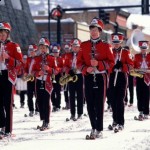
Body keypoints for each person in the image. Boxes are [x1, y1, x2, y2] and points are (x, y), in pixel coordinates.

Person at [77, 18, 114, 138]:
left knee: (99, 104)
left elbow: (112, 63)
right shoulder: (83, 45)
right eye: (91, 29)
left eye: (95, 30)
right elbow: (78, 63)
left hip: (101, 77)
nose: (93, 32)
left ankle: (99, 129)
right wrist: (85, 69)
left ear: (100, 31)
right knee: (89, 104)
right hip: (88, 77)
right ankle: (93, 127)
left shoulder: (106, 45)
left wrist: (99, 64)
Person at [0, 22, 23, 137]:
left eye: (3, 34)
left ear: (8, 34)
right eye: (0, 34)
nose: (1, 36)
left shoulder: (14, 46)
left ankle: (8, 130)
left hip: (8, 76)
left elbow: (20, 63)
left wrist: (8, 58)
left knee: (7, 103)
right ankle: (2, 125)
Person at [108, 32, 133, 132]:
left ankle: (121, 122)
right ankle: (115, 120)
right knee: (113, 100)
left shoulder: (126, 52)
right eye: (114, 42)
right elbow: (107, 65)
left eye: (118, 42)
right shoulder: (109, 51)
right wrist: (112, 67)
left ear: (121, 42)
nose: (116, 44)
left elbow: (131, 66)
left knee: (120, 100)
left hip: (122, 77)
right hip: (113, 75)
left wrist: (122, 66)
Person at [32, 37, 55, 131]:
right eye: (41, 47)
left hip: (47, 81)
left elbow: (56, 70)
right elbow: (33, 71)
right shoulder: (36, 58)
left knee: (46, 101)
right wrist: (38, 73)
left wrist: (49, 69)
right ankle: (43, 120)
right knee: (39, 101)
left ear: (47, 48)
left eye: (44, 47)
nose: (42, 49)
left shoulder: (52, 58)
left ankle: (47, 121)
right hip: (38, 81)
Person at [64, 38, 84, 121]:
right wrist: (69, 71)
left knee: (80, 95)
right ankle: (72, 113)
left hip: (79, 76)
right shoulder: (68, 55)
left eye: (77, 46)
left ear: (79, 47)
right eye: (73, 46)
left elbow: (84, 64)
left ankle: (80, 113)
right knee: (71, 95)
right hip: (71, 76)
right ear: (71, 47)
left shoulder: (82, 55)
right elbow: (65, 66)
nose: (75, 48)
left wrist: (79, 69)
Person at [133, 40, 150, 120]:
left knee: (147, 95)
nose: (143, 50)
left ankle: (146, 112)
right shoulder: (136, 56)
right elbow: (132, 70)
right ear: (140, 48)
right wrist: (139, 71)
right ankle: (140, 111)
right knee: (139, 95)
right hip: (139, 77)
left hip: (148, 78)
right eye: (142, 48)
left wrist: (147, 71)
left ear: (147, 48)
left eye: (145, 48)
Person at [24, 44, 39, 116]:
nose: (31, 52)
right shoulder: (28, 59)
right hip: (29, 79)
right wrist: (26, 73)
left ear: (35, 51)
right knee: (29, 95)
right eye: (30, 51)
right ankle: (31, 110)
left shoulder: (38, 59)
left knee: (37, 95)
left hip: (36, 79)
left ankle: (37, 109)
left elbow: (39, 69)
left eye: (32, 51)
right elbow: (25, 68)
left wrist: (34, 73)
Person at [51, 43, 63, 112]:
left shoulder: (61, 59)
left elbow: (63, 67)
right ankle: (54, 104)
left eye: (57, 52)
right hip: (52, 76)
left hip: (58, 76)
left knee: (58, 92)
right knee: (52, 91)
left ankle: (58, 105)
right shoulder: (51, 58)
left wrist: (58, 70)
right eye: (54, 52)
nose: (55, 54)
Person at [61, 43, 72, 110]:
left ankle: (71, 103)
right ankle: (67, 103)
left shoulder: (71, 55)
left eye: (68, 48)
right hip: (65, 74)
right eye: (66, 49)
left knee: (71, 89)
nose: (67, 50)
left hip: (71, 74)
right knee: (65, 89)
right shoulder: (62, 56)